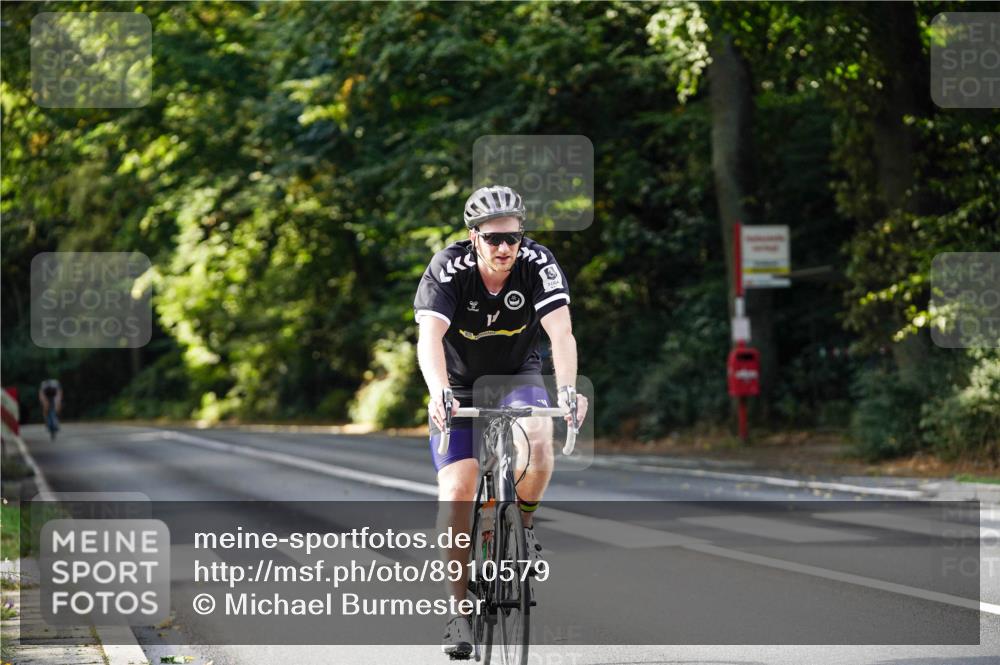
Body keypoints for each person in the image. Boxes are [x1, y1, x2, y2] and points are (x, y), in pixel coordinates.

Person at [413, 185, 588, 659]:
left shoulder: (537, 263)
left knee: (539, 440)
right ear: (474, 237)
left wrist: (568, 390)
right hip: (460, 383)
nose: (505, 247)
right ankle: (457, 612)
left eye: (513, 237)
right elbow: (429, 338)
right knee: (458, 488)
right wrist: (439, 390)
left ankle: (522, 525)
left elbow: (561, 332)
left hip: (516, 376)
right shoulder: (448, 268)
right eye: (494, 239)